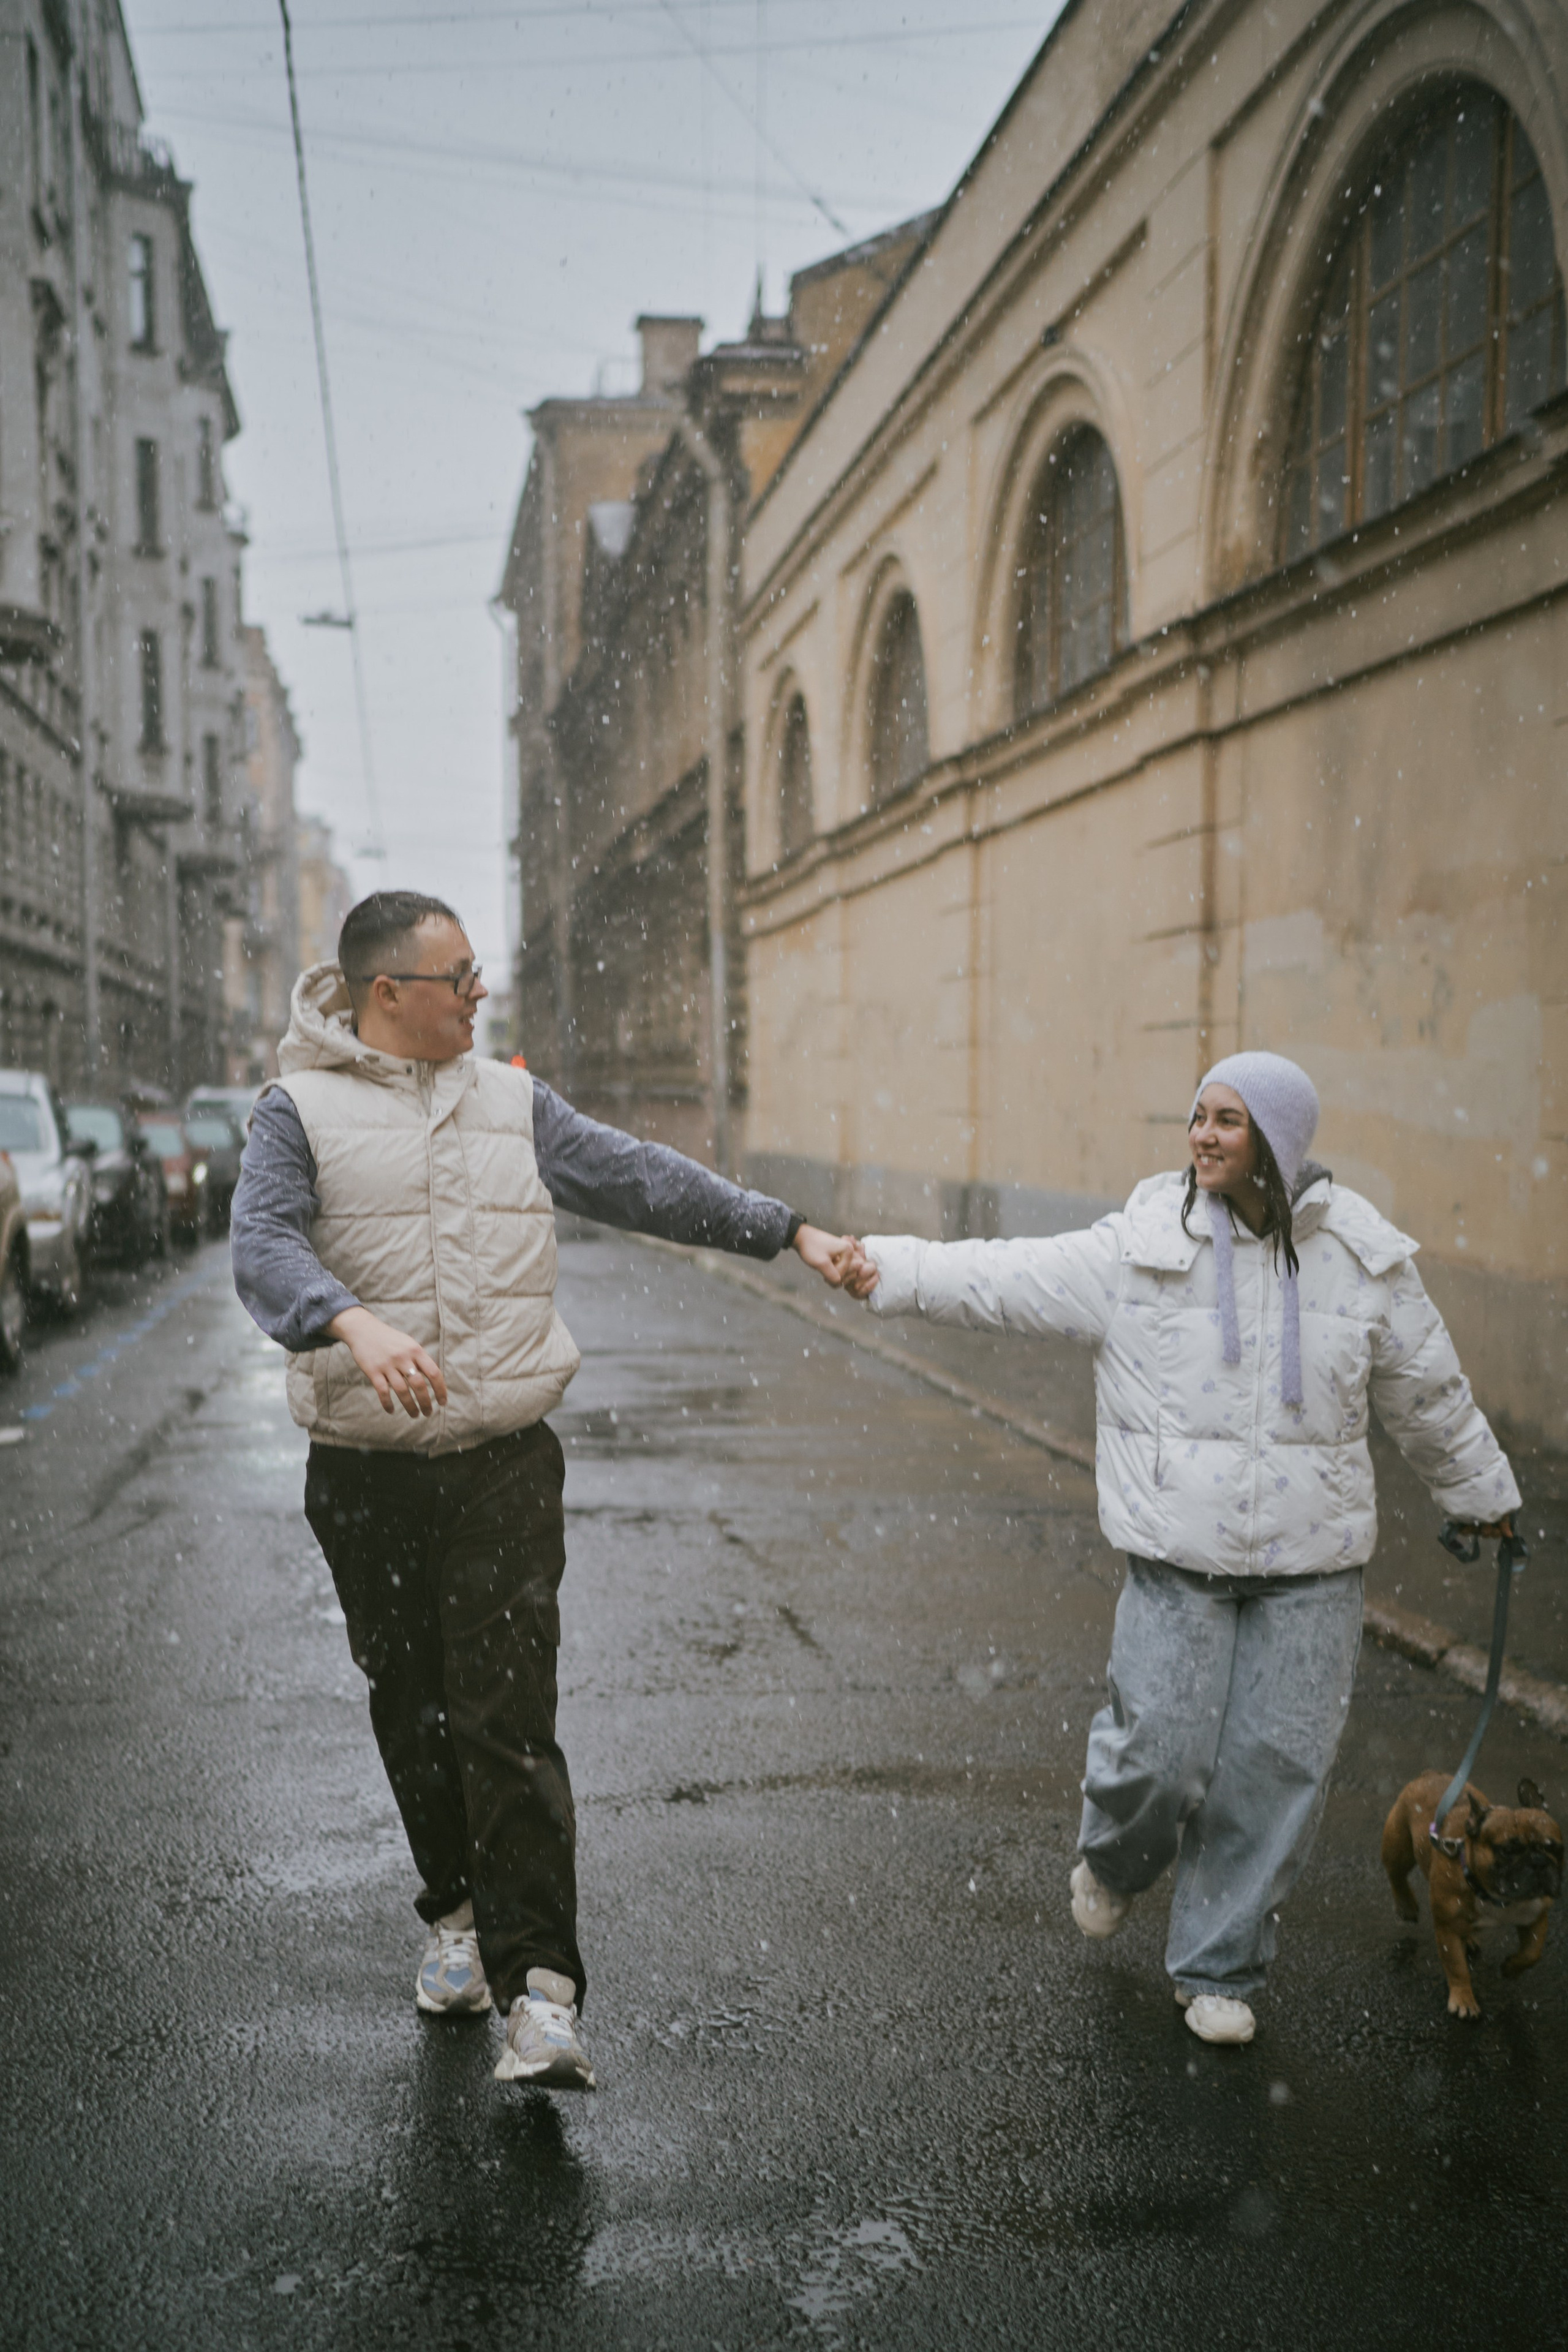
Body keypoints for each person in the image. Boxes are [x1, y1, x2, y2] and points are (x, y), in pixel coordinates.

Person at [232, 890, 859, 2092]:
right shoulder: (294, 1112)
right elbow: (263, 1247)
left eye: (478, 974)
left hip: (504, 1460)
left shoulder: (511, 1101)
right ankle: (455, 1921)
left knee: (504, 1716)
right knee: (410, 1705)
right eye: (456, 977)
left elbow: (641, 1181)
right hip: (363, 1474)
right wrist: (349, 1322)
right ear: (386, 996)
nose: (479, 995)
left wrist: (787, 1233)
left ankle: (543, 1995)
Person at [843, 1051, 1520, 2045]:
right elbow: (1002, 1276)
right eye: (1197, 1116)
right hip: (1177, 1557)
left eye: (1227, 1120)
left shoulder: (1363, 1258)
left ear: (1278, 1143)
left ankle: (1219, 1969)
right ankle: (1113, 1860)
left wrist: (1485, 1497)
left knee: (1275, 1771)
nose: (1201, 1134)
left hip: (1314, 1566)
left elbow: (1429, 1394)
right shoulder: (1141, 1248)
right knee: (1156, 1755)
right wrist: (888, 1268)